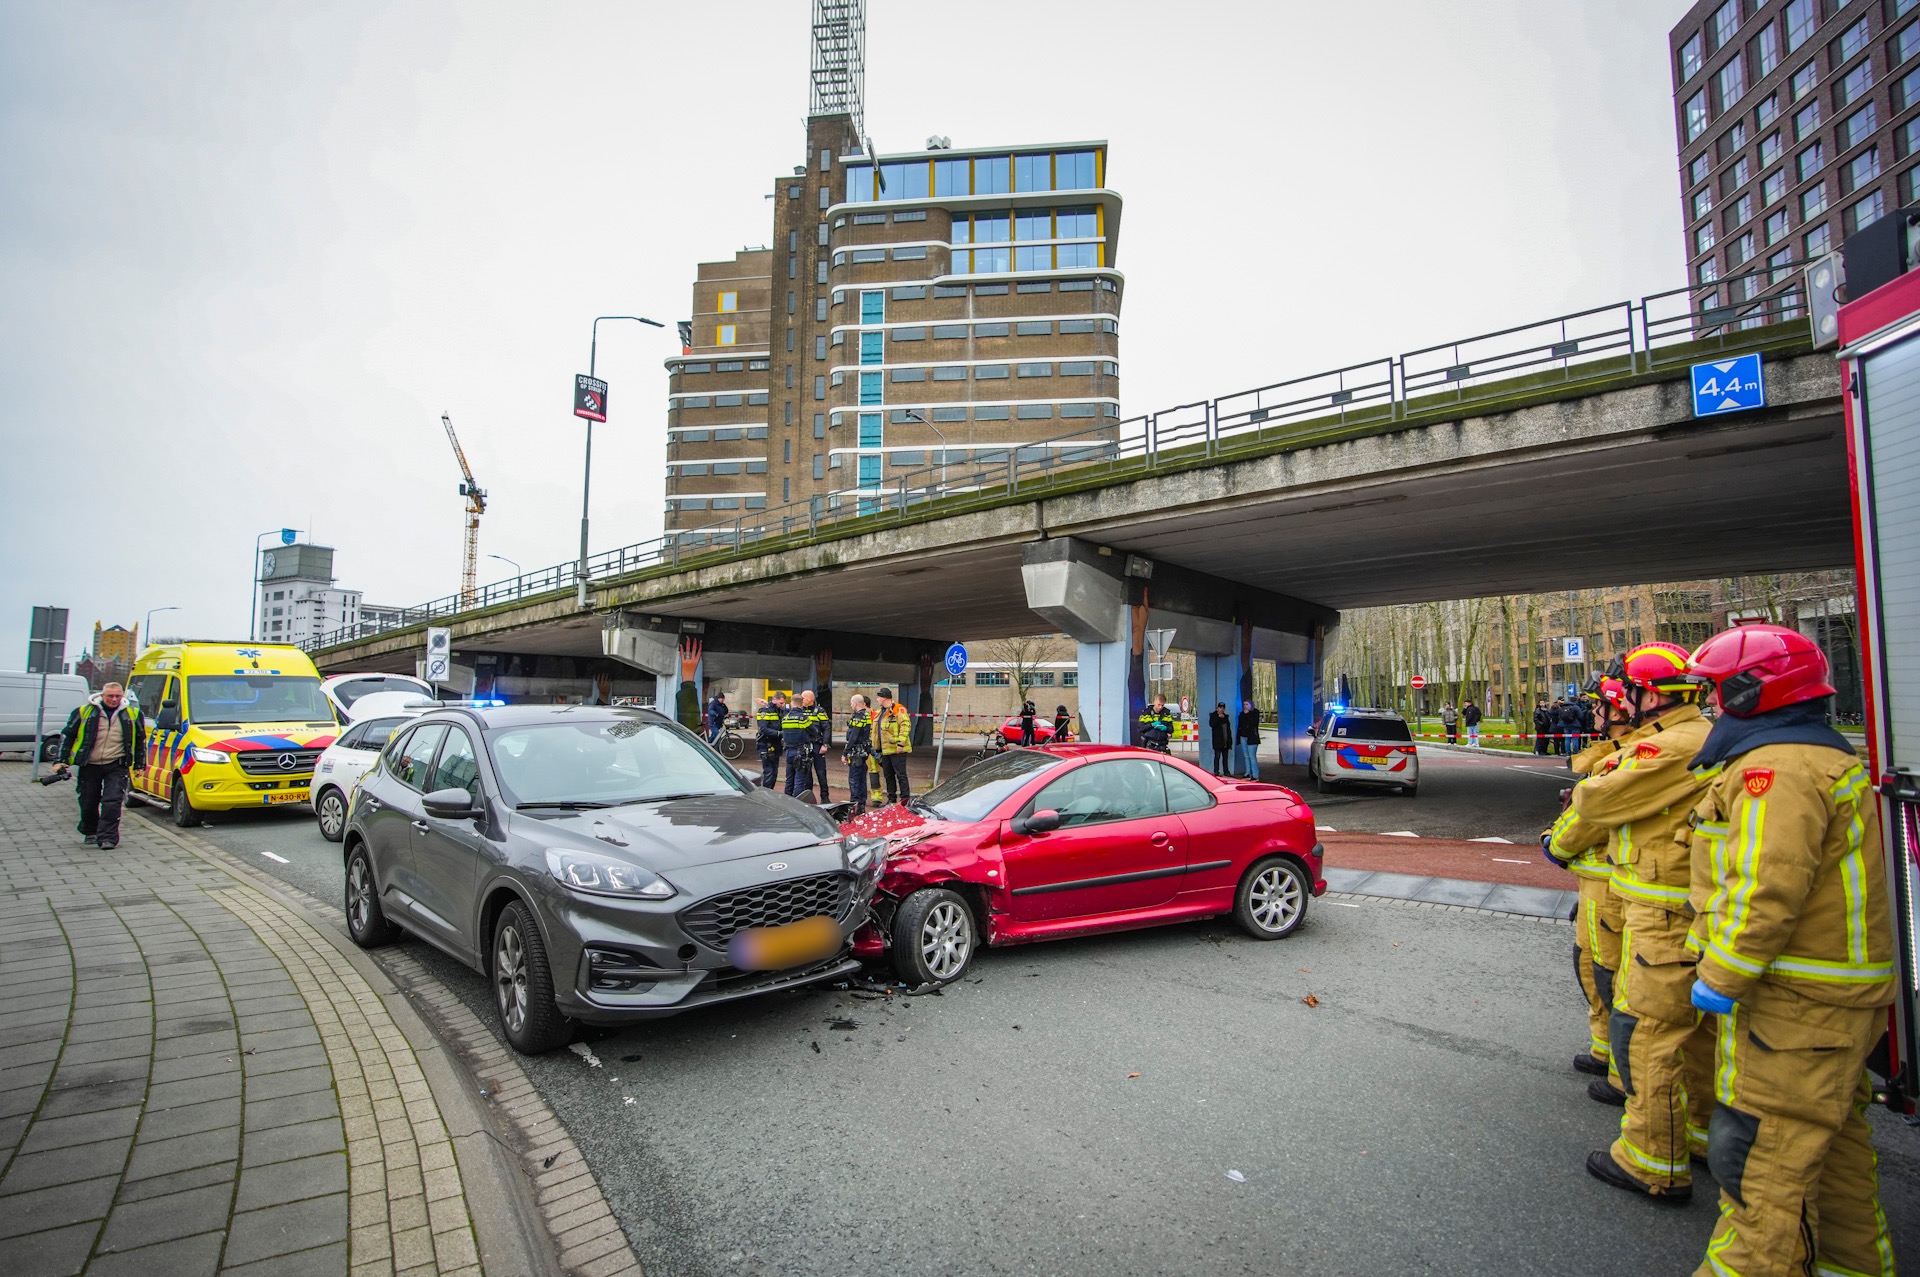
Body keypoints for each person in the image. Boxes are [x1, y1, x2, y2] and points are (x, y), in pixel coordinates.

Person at [1680, 624, 1897, 1275]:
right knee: (1832, 1160)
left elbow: (1766, 889)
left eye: (1717, 692)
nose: (1711, 705)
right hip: (1833, 1005)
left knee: (1759, 1165)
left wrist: (1721, 973)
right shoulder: (1821, 760)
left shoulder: (1778, 772)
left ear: (1750, 692)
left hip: (1793, 1009)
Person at [1547, 643, 1717, 1202]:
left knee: (1650, 1030)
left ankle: (1653, 1160)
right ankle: (1693, 1135)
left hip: (1657, 907)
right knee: (1690, 1038)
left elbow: (1596, 802)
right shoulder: (1698, 739)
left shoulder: (1667, 747)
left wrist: (1562, 838)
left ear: (1647, 697)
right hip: (1672, 903)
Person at [1544, 676, 1633, 1087]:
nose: (1593, 712)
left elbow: (1592, 814)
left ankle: (1621, 1071)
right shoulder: (1614, 754)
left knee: (1607, 973)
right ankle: (1605, 1050)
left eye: (1600, 706)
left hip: (1609, 884)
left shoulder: (1625, 759)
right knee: (1590, 966)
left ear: (1619, 712)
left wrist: (1556, 844)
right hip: (1602, 884)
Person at [58, 683, 146, 850]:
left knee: (112, 801)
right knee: (88, 801)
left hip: (116, 764)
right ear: (102, 695)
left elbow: (140, 740)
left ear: (122, 696)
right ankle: (90, 830)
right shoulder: (84, 712)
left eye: (117, 696)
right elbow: (68, 736)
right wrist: (61, 761)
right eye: (110, 696)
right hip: (89, 763)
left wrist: (140, 765)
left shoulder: (133, 714)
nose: (114, 699)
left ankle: (108, 838)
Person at [875, 687, 913, 806]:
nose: (877, 699)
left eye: (879, 697)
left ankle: (905, 800)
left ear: (884, 698)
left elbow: (905, 726)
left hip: (897, 749)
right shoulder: (881, 712)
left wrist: (901, 743)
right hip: (885, 750)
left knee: (900, 775)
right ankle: (891, 799)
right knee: (888, 775)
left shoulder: (898, 709)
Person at [842, 694, 874, 816]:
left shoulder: (857, 717)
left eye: (851, 703)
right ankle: (861, 805)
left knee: (854, 779)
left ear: (855, 703)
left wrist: (845, 752)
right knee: (861, 779)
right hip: (863, 752)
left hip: (855, 752)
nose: (851, 705)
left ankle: (853, 806)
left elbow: (853, 736)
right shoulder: (867, 715)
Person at [780, 695, 815, 800]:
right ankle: (797, 803)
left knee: (789, 779)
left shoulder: (785, 718)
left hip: (788, 752)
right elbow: (814, 732)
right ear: (802, 704)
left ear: (791, 703)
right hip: (800, 752)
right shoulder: (803, 718)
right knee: (799, 781)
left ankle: (787, 801)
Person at [800, 689, 831, 801]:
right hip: (805, 746)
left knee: (821, 772)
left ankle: (825, 797)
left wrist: (825, 744)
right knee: (806, 774)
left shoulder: (819, 711)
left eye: (803, 698)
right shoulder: (800, 710)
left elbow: (826, 728)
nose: (802, 700)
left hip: (817, 745)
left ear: (810, 699)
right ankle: (808, 798)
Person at [755, 692, 785, 789]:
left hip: (775, 745)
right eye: (781, 703)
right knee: (768, 772)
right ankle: (765, 795)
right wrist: (778, 733)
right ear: (775, 700)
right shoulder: (764, 711)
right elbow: (763, 728)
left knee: (774, 773)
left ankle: (770, 792)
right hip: (766, 744)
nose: (782, 705)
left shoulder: (778, 710)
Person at [1235, 699, 1261, 779]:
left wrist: (1248, 714)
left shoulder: (1255, 713)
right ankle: (1247, 773)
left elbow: (1254, 723)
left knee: (1252, 756)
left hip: (1252, 737)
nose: (1245, 706)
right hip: (1243, 736)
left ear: (1251, 705)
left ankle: (1255, 774)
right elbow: (1240, 725)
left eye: (1247, 704)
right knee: (1246, 756)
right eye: (1244, 704)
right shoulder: (1241, 714)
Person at [1207, 702, 1233, 775]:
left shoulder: (1226, 717)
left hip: (1225, 741)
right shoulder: (1214, 716)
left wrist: (1230, 741)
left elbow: (1228, 730)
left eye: (1223, 708)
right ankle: (1216, 771)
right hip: (1217, 741)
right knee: (1217, 756)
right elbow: (1212, 724)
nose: (1221, 709)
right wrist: (1218, 718)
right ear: (1217, 708)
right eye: (1220, 708)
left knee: (1225, 757)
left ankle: (1226, 771)